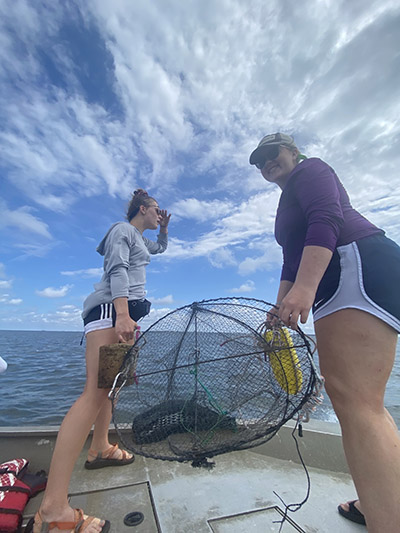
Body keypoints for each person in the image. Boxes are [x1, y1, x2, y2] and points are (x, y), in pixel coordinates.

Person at [249, 133, 400, 533]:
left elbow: (327, 220)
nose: (266, 162)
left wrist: (305, 289)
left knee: (359, 403)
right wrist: (280, 304)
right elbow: (289, 260)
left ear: (293, 152)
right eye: (259, 160)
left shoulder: (311, 169)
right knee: (357, 401)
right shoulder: (285, 203)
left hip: (354, 263)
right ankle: (376, 503)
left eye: (272, 153)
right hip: (336, 273)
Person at [26, 189, 171, 533]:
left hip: (121, 314)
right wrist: (122, 314)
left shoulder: (140, 237)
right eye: (156, 211)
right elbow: (117, 268)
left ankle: (100, 447)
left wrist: (164, 230)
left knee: (112, 389)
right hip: (111, 311)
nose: (159, 215)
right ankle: (53, 508)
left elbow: (160, 249)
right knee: (94, 392)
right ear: (141, 209)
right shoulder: (122, 231)